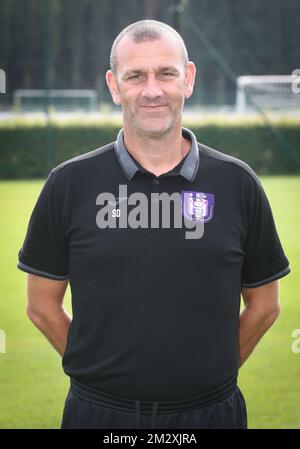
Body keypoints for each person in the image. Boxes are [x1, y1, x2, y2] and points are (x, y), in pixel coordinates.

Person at [17, 19, 291, 429]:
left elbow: (265, 305)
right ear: (114, 85)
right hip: (99, 416)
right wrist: (97, 373)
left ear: (189, 79)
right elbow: (41, 305)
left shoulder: (238, 183)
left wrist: (212, 374)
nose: (152, 90)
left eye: (166, 73)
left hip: (212, 414)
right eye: (135, 76)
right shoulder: (69, 184)